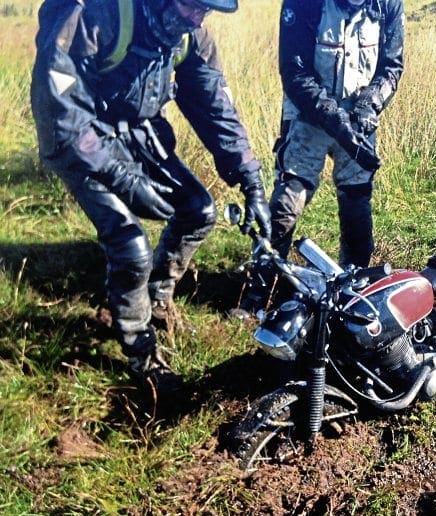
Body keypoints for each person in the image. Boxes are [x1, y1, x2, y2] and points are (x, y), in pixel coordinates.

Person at [30, 0, 271, 391]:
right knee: (131, 246)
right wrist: (123, 179)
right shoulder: (97, 13)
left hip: (139, 134)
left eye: (204, 12)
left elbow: (214, 107)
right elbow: (60, 109)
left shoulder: (190, 36)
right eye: (192, 6)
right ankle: (140, 351)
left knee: (199, 211)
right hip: (78, 140)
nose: (196, 19)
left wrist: (251, 181)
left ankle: (158, 300)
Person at [269, 0, 405, 268]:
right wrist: (332, 118)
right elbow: (294, 73)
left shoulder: (388, 4)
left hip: (358, 119)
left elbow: (392, 68)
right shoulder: (303, 4)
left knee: (357, 200)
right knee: (288, 199)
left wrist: (372, 101)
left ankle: (354, 286)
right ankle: (259, 291)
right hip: (307, 114)